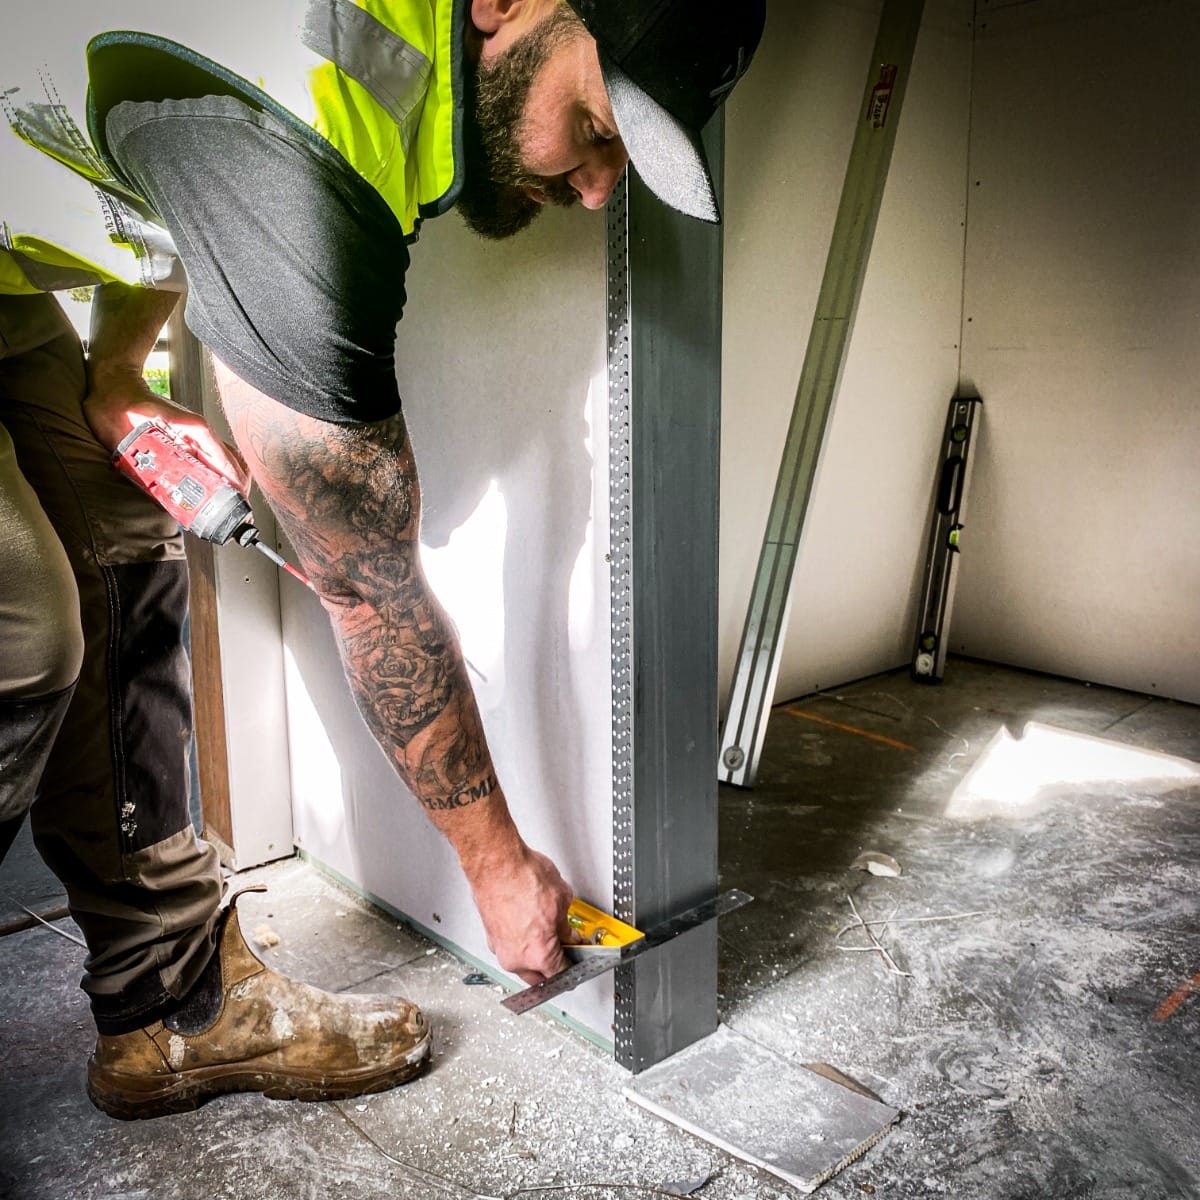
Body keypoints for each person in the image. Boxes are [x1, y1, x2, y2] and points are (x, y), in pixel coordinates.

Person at [0, 0, 766, 1119]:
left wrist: (121, 365)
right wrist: (500, 869)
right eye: (598, 128)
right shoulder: (307, 160)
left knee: (120, 550)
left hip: (16, 282)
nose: (601, 188)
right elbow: (365, 586)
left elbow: (170, 156)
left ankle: (172, 1005)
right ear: (506, 8)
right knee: (23, 638)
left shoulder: (367, 78)